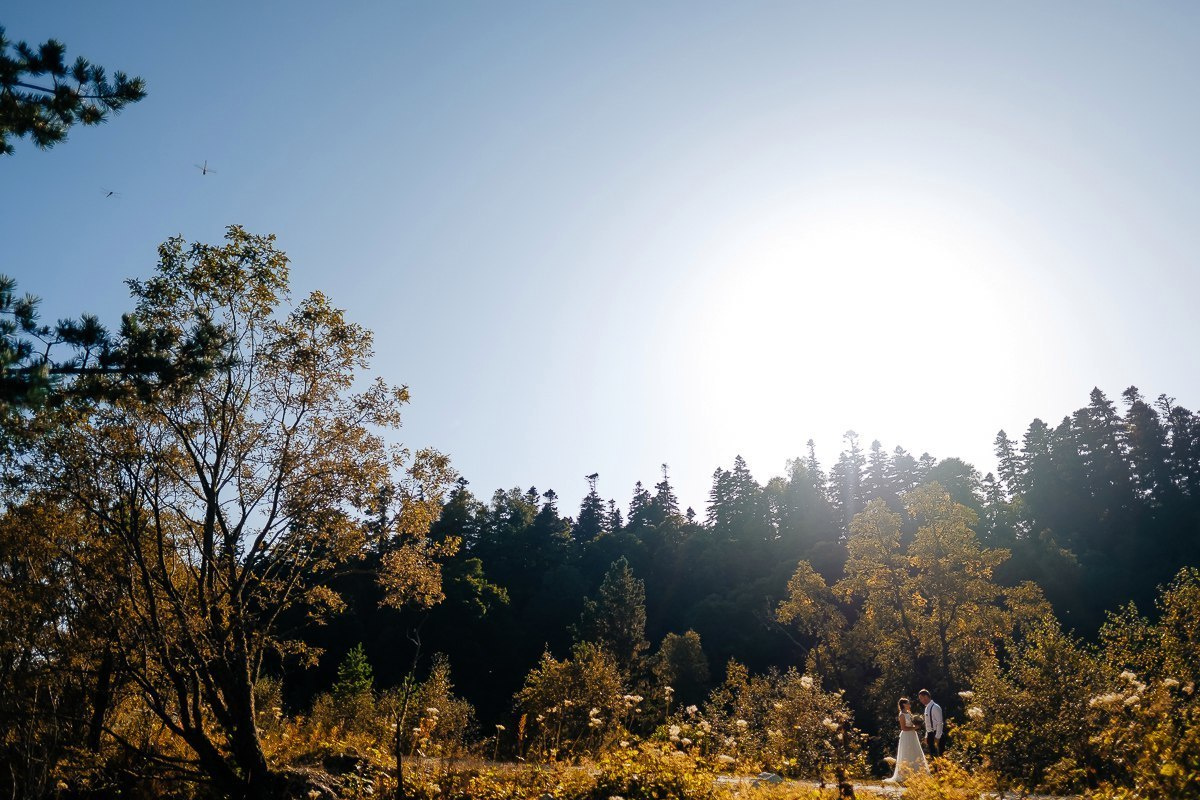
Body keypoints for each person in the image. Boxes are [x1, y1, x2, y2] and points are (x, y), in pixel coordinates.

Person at [882, 697, 928, 784]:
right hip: (906, 736)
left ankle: (917, 773)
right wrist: (914, 728)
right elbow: (903, 728)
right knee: (907, 753)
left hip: (913, 735)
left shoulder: (909, 713)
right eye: (908, 703)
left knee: (915, 752)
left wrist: (917, 723)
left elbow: (912, 723)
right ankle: (905, 774)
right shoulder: (902, 715)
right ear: (904, 704)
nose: (909, 705)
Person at [918, 689, 944, 757]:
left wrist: (937, 737)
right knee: (933, 756)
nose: (921, 701)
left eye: (921, 698)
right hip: (930, 734)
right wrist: (926, 736)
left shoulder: (935, 707)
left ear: (926, 696)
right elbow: (928, 724)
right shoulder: (926, 708)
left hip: (936, 733)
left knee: (940, 755)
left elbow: (940, 723)